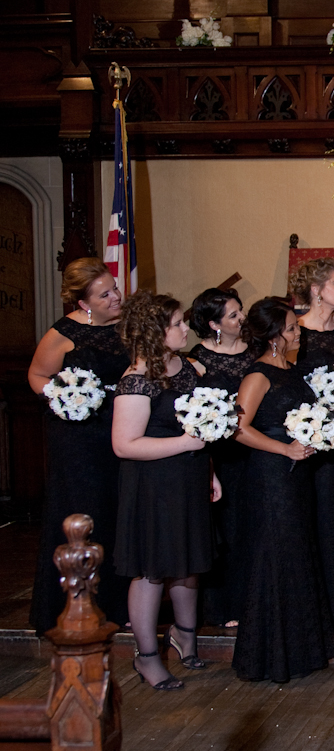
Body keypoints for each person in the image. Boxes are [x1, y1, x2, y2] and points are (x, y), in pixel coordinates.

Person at [111, 292, 216, 690]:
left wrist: (210, 472)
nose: (185, 328)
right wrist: (186, 445)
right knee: (152, 570)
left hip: (189, 478)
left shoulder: (187, 368)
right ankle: (147, 657)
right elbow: (124, 444)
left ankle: (184, 638)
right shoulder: (136, 379)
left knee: (187, 565)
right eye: (177, 324)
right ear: (155, 332)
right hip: (152, 485)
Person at [231, 298, 334, 683]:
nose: (298, 333)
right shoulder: (257, 375)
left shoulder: (293, 370)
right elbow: (238, 428)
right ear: (275, 336)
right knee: (274, 554)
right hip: (271, 473)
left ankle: (301, 648)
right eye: (293, 328)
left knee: (296, 551)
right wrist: (284, 449)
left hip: (297, 473)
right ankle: (269, 655)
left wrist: (328, 418)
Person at [27, 257, 129, 634]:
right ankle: (75, 603)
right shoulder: (63, 333)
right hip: (79, 439)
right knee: (86, 511)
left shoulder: (127, 326)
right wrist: (63, 398)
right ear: (84, 302)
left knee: (119, 511)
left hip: (120, 429)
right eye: (105, 294)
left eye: (114, 288)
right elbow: (38, 375)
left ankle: (118, 602)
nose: (115, 296)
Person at [289, 258, 334, 626]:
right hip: (310, 440)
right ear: (316, 291)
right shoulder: (296, 333)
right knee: (316, 517)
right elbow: (283, 382)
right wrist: (315, 416)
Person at [186, 287, 254, 628]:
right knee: (224, 530)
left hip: (255, 451)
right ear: (214, 324)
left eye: (240, 310)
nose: (241, 317)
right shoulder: (197, 361)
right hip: (220, 456)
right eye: (232, 314)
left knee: (252, 527)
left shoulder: (255, 351)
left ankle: (253, 601)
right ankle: (223, 606)